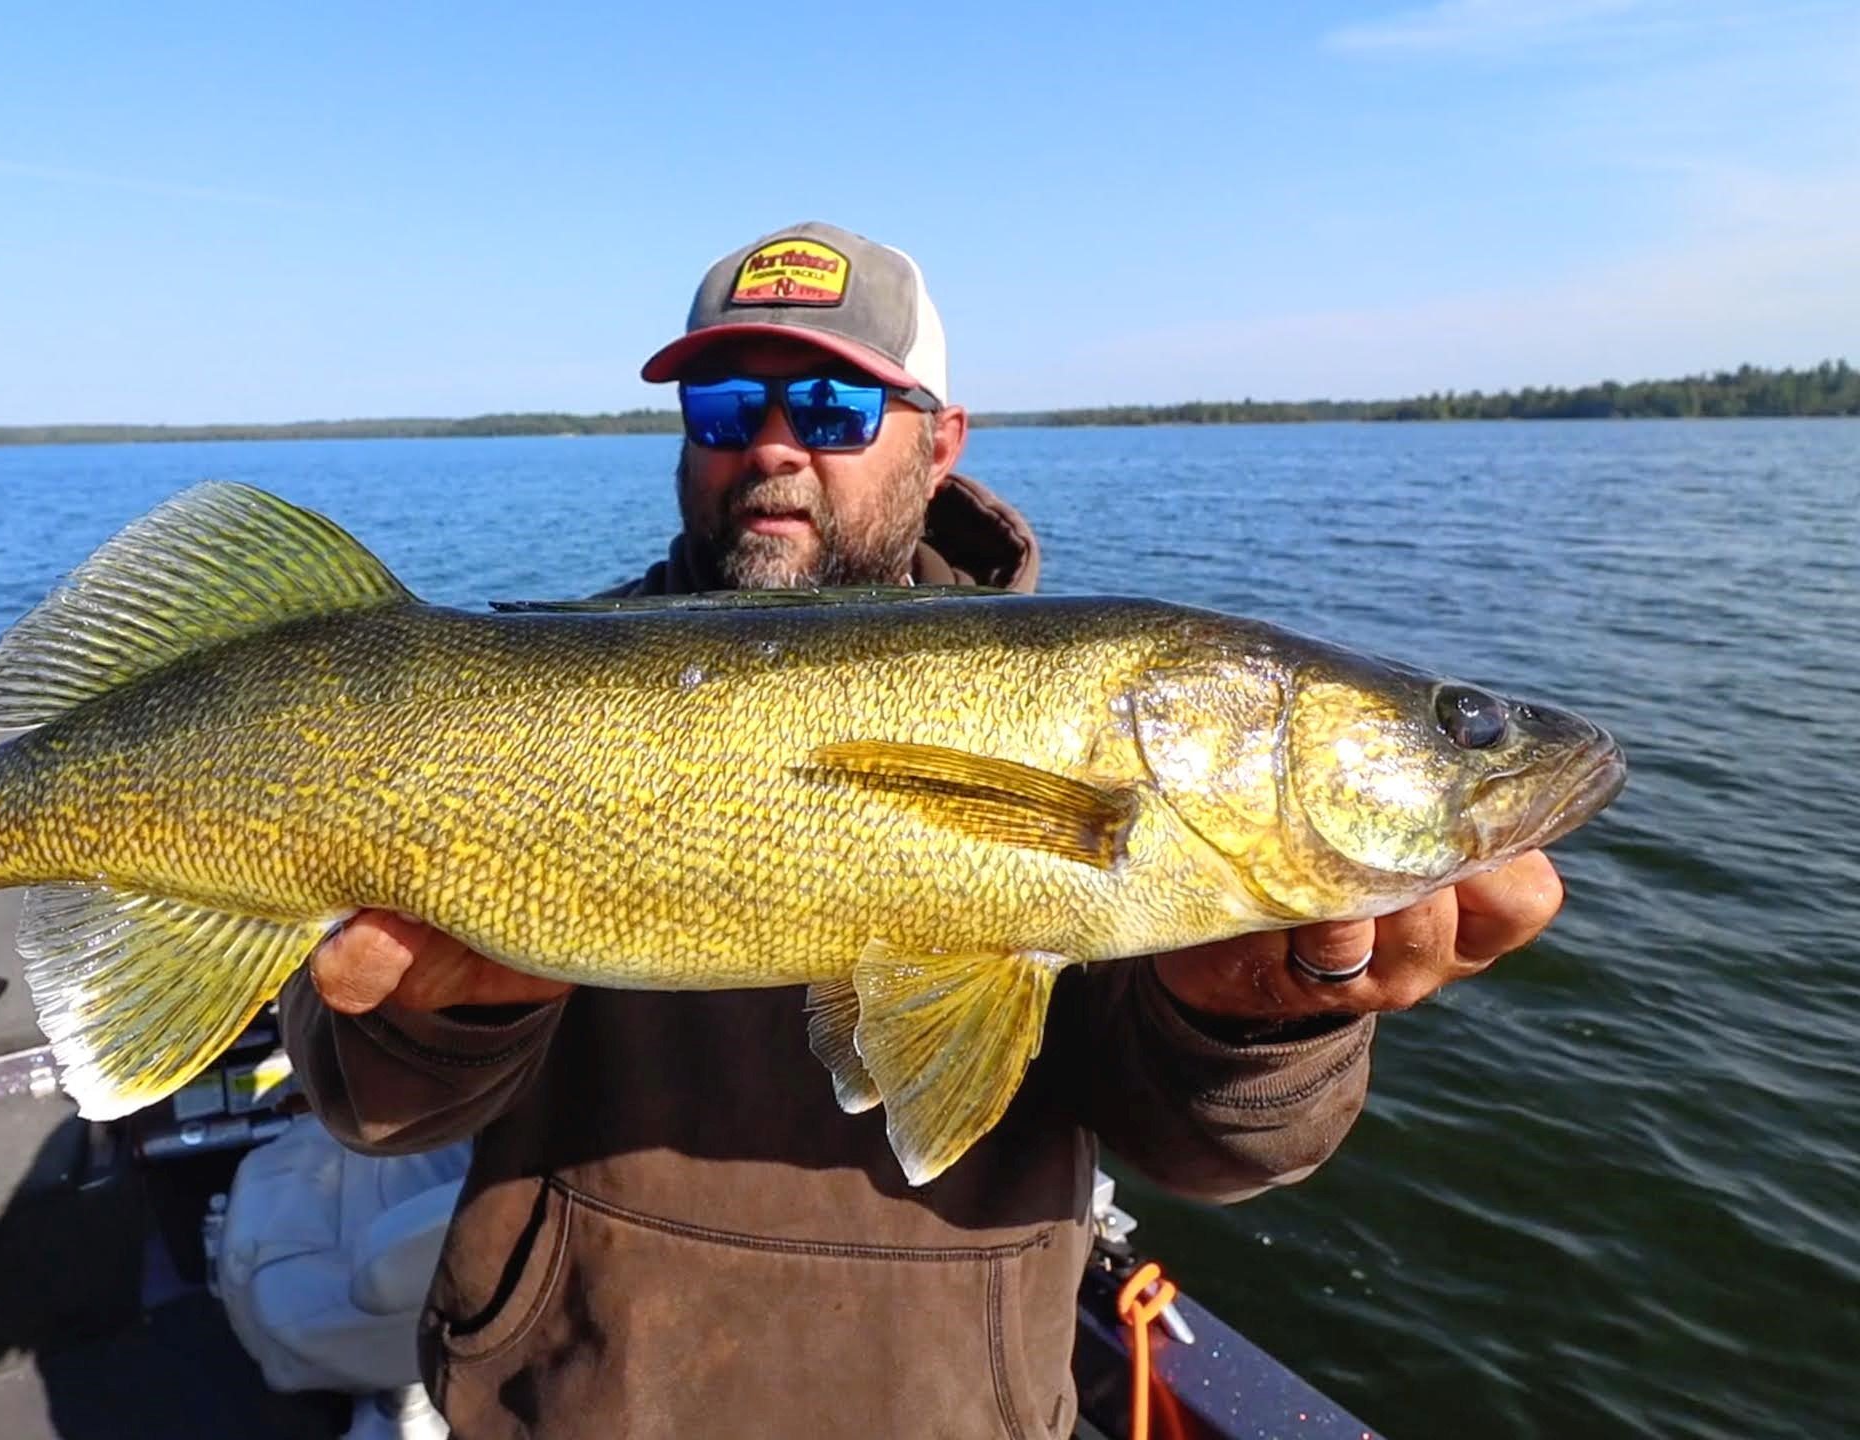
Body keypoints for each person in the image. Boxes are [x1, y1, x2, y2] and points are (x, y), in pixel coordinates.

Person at [281, 222, 1566, 1438]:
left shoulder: (1109, 743)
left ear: (940, 441)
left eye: (833, 409)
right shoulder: (522, 679)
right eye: (727, 406)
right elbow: (367, 1111)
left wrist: (1263, 1016)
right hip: (571, 1399)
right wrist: (440, 1017)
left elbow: (1222, 1151)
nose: (774, 447)